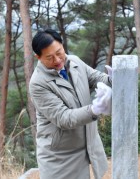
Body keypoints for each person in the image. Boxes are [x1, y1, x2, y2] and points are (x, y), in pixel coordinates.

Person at [29, 28, 112, 179]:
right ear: (38, 57)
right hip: (60, 156)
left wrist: (113, 79)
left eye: (59, 52)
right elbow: (63, 118)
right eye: (49, 58)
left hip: (87, 144)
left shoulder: (74, 62)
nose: (58, 60)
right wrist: (94, 110)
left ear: (62, 45)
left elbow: (96, 78)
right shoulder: (38, 83)